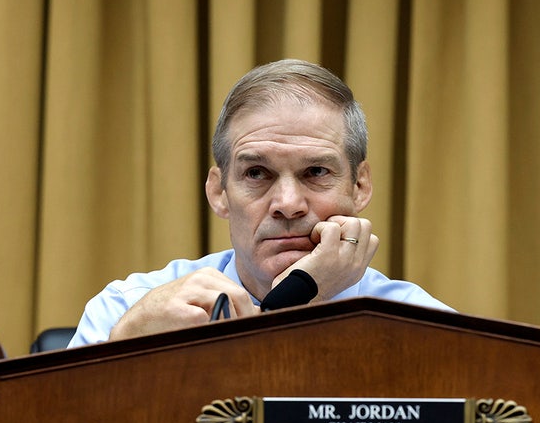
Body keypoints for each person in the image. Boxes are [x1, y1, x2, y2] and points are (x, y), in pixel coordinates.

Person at [69, 59, 451, 347]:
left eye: (316, 171)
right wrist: (126, 344)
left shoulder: (425, 328)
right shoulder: (127, 310)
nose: (287, 204)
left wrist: (301, 297)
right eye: (256, 173)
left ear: (360, 186)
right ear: (219, 192)